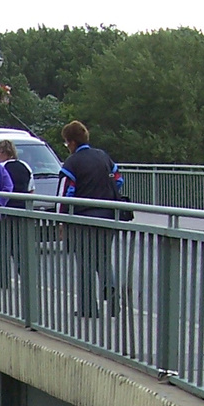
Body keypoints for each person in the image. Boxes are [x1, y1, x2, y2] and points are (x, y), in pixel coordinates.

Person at [57, 120, 122, 318]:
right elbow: (119, 180)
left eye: (67, 143)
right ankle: (112, 301)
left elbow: (64, 194)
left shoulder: (72, 163)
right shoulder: (103, 156)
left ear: (72, 142)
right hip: (109, 216)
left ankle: (88, 308)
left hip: (83, 219)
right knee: (103, 259)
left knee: (84, 262)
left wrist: (60, 221)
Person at [0, 138, 33, 207]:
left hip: (6, 207)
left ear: (6, 152)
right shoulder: (25, 165)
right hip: (23, 207)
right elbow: (31, 189)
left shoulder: (0, 167)